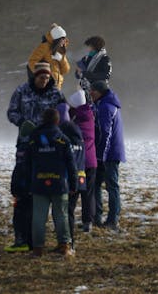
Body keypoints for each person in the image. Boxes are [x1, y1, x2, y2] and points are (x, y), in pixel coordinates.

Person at [26, 108, 78, 257]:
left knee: (38, 217)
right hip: (59, 184)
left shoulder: (34, 139)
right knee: (61, 215)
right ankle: (64, 246)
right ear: (57, 121)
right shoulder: (63, 140)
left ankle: (37, 249)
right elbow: (71, 164)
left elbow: (27, 163)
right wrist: (73, 184)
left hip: (38, 183)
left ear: (43, 120)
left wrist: (28, 182)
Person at [91, 79, 125, 230]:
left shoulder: (105, 107)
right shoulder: (103, 104)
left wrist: (101, 156)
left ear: (101, 92)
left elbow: (106, 133)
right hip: (106, 152)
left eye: (94, 91)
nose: (91, 93)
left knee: (111, 186)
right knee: (98, 185)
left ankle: (112, 219)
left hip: (109, 154)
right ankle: (97, 217)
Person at [66, 90, 97, 234]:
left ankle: (69, 220)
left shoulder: (77, 120)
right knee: (88, 194)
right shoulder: (89, 116)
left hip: (79, 161)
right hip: (91, 161)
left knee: (74, 192)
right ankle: (88, 221)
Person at [6, 120, 37, 253]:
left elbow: (19, 170)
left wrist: (15, 187)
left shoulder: (21, 148)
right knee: (31, 214)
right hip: (32, 186)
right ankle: (32, 241)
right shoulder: (35, 146)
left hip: (21, 185)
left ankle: (21, 240)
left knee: (20, 214)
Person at [8, 62, 66, 130]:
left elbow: (64, 111)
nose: (44, 80)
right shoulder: (21, 91)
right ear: (35, 76)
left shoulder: (56, 93)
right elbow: (12, 112)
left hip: (49, 136)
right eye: (41, 78)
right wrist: (22, 122)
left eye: (47, 78)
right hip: (28, 136)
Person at [58, 117, 87, 251]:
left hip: (70, 181)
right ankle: (69, 242)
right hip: (81, 180)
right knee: (70, 211)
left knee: (66, 212)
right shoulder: (81, 143)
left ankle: (68, 242)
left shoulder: (66, 145)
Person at [28, 24, 70, 89]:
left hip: (57, 86)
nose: (64, 41)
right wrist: (43, 76)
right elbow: (32, 62)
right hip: (45, 85)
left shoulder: (60, 50)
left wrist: (61, 59)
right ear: (57, 39)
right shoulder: (45, 47)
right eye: (62, 39)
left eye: (64, 38)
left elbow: (65, 70)